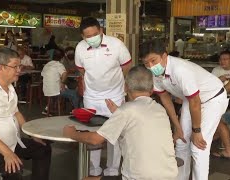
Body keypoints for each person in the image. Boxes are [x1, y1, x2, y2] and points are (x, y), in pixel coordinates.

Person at [63, 66, 178, 180]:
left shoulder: (126, 111)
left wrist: (72, 134)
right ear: (152, 89)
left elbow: (95, 139)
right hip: (169, 175)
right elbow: (138, 121)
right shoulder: (160, 109)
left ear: (125, 87)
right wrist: (118, 112)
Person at [141, 40, 228, 180]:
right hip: (192, 100)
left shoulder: (180, 70)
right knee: (181, 142)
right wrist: (177, 127)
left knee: (198, 147)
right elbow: (165, 98)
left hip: (213, 99)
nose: (151, 66)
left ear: (164, 55)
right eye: (146, 63)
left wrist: (197, 131)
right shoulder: (155, 74)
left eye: (153, 60)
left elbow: (195, 102)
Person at [0, 48, 52, 180]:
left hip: (12, 141)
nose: (19, 70)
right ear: (2, 67)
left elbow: (17, 113)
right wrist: (7, 153)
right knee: (14, 169)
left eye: (19, 66)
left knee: (43, 149)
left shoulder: (10, 87)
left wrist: (33, 136)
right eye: (15, 66)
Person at [75, 17, 132, 176]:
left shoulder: (116, 44)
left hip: (115, 95)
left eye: (95, 34)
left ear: (101, 31)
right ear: (82, 36)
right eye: (88, 36)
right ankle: (94, 168)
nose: (91, 38)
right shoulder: (80, 48)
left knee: (115, 132)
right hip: (91, 96)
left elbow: (127, 65)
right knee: (93, 131)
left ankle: (113, 169)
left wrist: (120, 83)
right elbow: (81, 70)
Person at [211, 50, 230, 144]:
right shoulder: (216, 70)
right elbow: (210, 85)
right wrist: (218, 80)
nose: (222, 61)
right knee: (218, 115)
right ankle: (218, 134)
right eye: (220, 59)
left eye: (225, 59)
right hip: (221, 99)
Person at [41, 49, 79, 114]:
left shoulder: (47, 65)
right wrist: (62, 82)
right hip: (57, 91)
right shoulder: (59, 65)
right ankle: (76, 111)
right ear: (62, 58)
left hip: (46, 90)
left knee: (63, 90)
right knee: (75, 94)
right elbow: (65, 73)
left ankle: (48, 109)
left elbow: (43, 75)